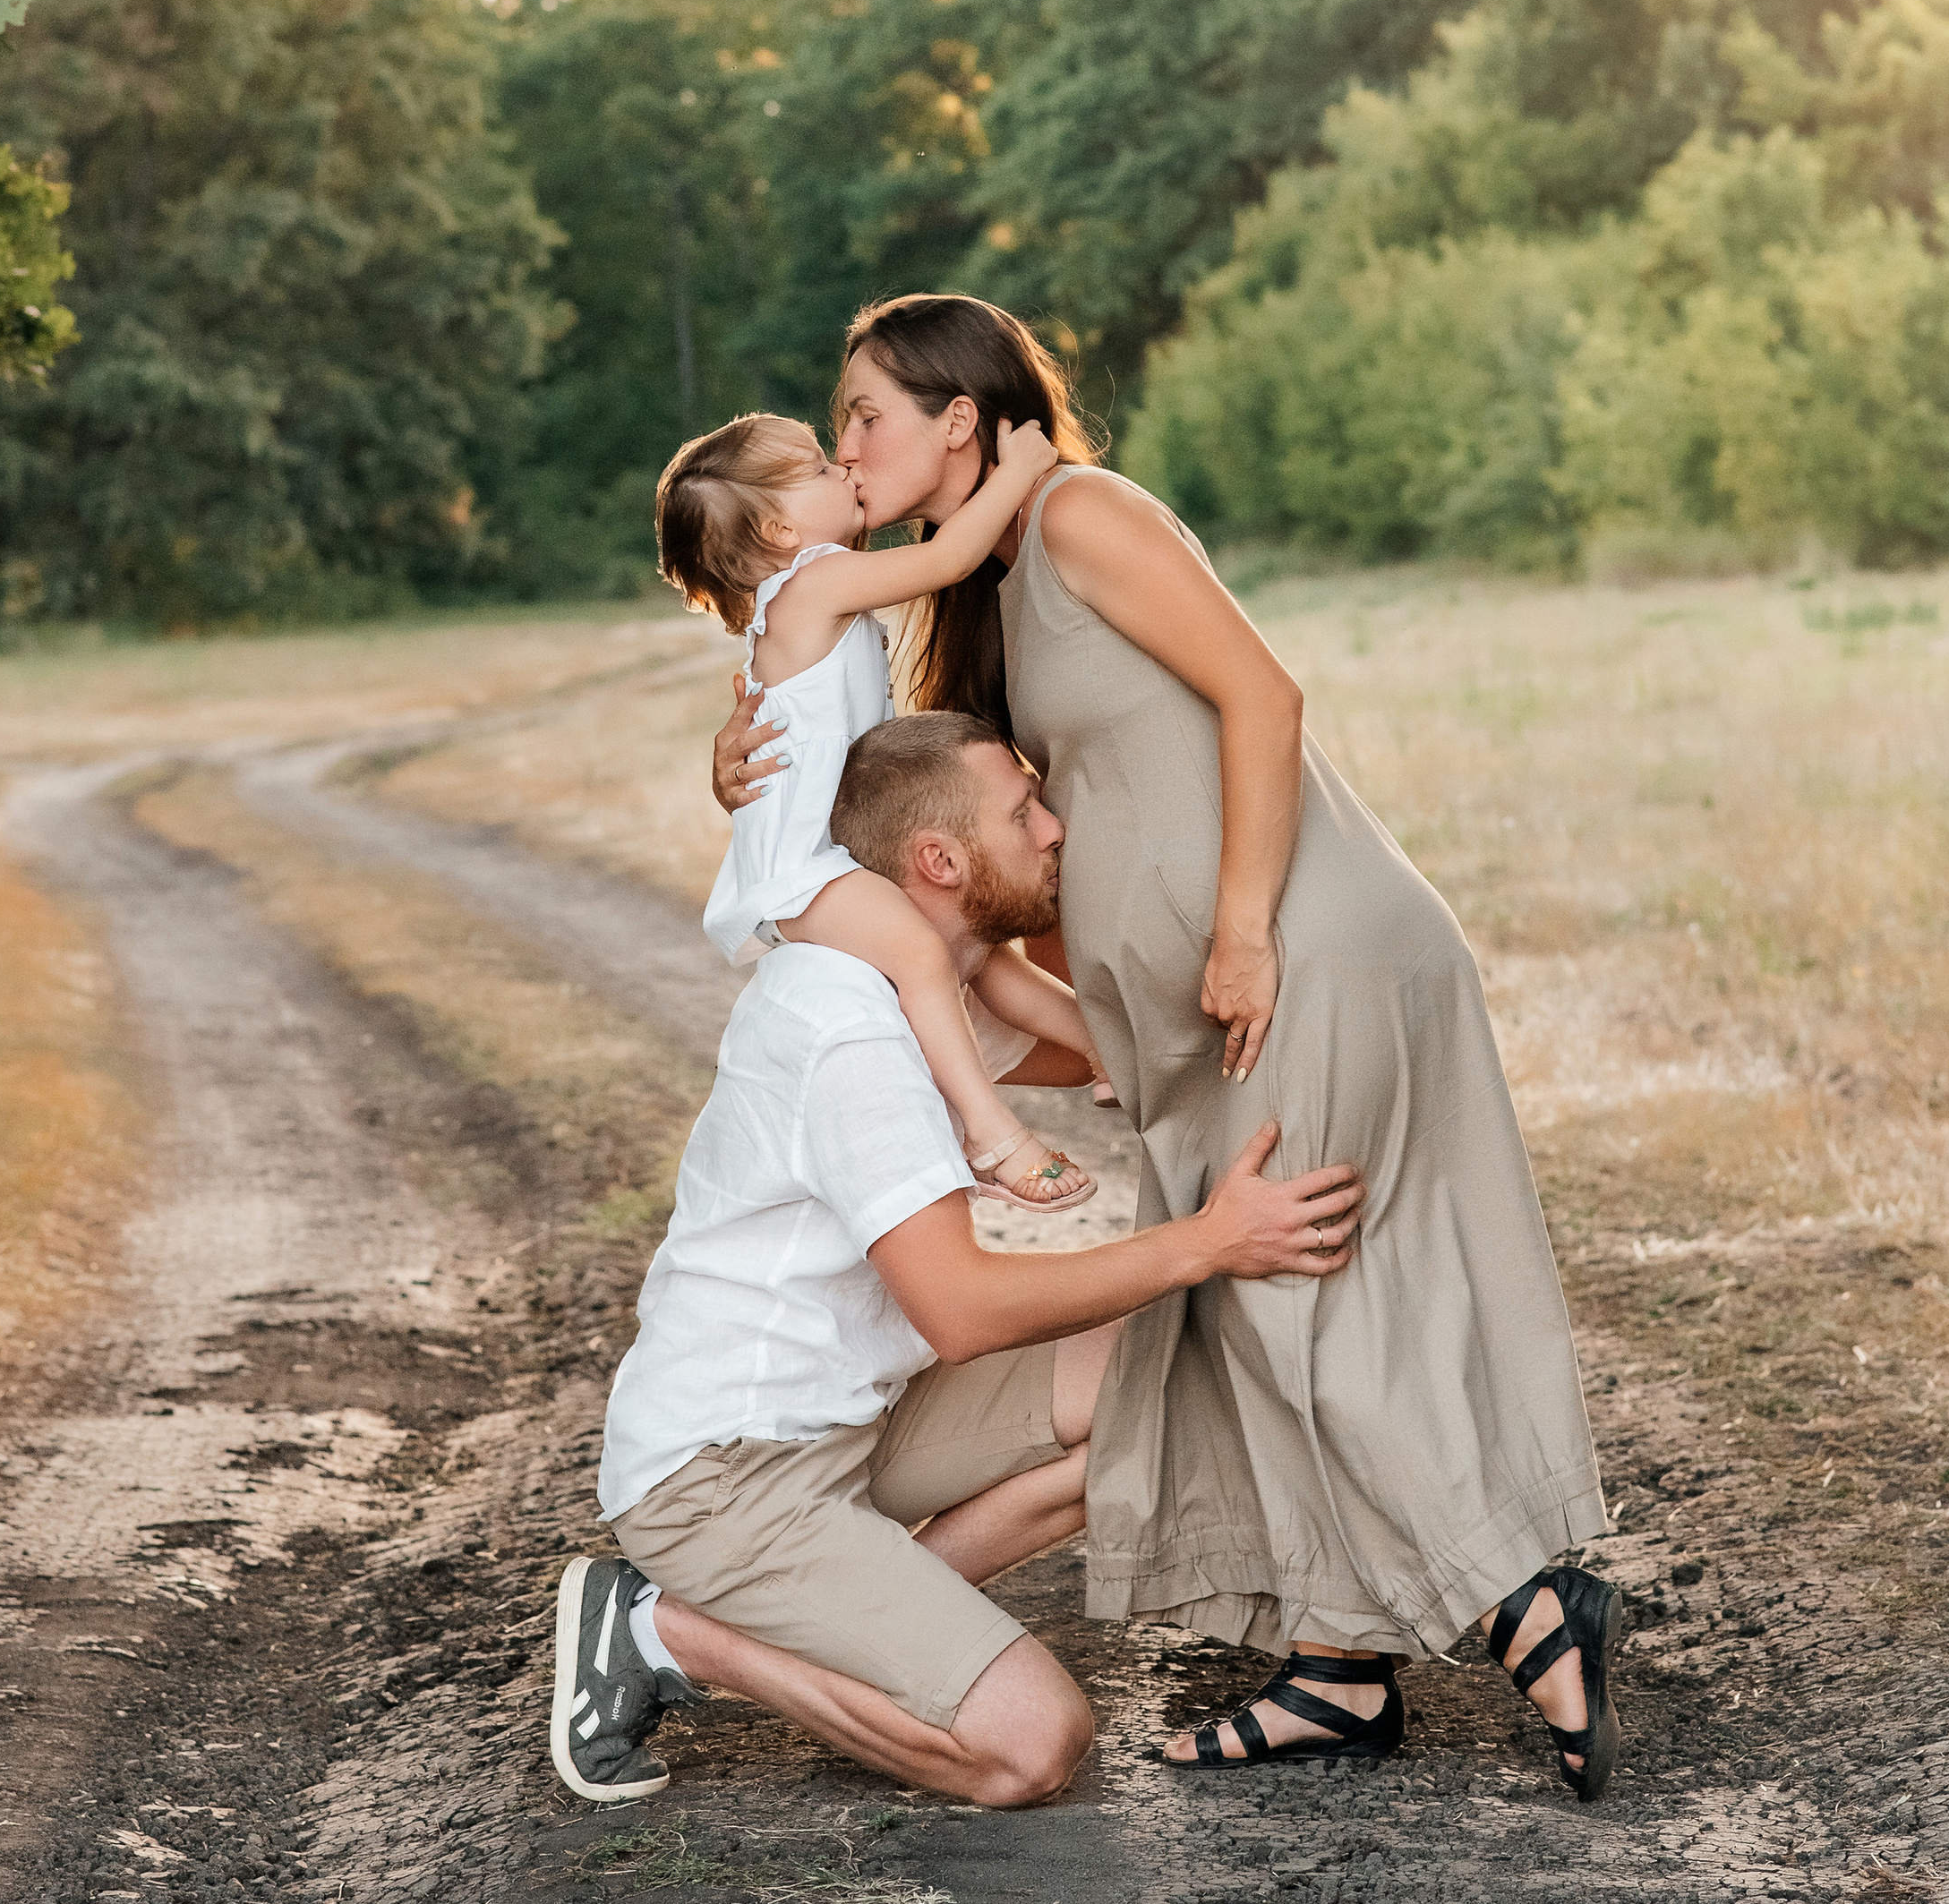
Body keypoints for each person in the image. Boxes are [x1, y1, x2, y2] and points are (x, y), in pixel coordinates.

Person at [714, 294, 1624, 1803]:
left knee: (1288, 1301)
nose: (846, 440)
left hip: (1301, 957)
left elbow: (1263, 691)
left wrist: (1246, 921)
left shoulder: (1082, 511)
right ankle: (1335, 1668)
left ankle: (1527, 1603)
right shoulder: (983, 588)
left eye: (865, 410)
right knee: (1246, 1313)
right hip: (1208, 1017)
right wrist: (735, 757)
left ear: (960, 418)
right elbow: (920, 823)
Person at [551, 713, 1366, 1806]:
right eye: (1024, 811)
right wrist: (1205, 1243)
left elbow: (1114, 1050)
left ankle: (861, 1616)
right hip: (722, 1480)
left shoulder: (921, 995)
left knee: (1162, 1378)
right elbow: (963, 1311)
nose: (1054, 826)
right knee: (1034, 1746)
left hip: (856, 1423)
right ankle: (672, 1633)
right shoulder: (848, 1030)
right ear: (938, 862)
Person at [654, 405, 1095, 1209]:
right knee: (927, 958)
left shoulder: (809, 602)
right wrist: (1020, 473)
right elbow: (952, 557)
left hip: (835, 860)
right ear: (784, 532)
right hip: (806, 872)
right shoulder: (813, 586)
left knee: (984, 964)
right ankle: (993, 1137)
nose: (847, 468)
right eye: (822, 468)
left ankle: (1120, 1053)